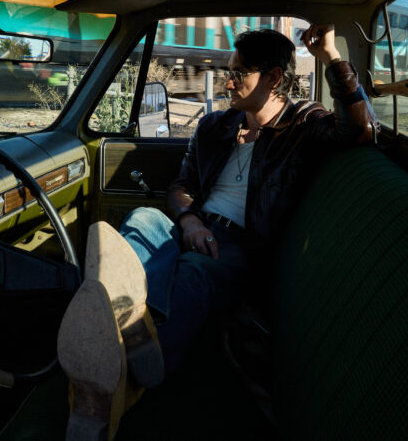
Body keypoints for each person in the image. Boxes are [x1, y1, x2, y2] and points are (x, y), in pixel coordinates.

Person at [57, 24, 376, 440]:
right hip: (195, 226)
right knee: (139, 220)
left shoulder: (302, 124)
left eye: (239, 73)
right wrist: (189, 220)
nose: (227, 81)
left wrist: (332, 57)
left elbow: (361, 131)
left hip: (242, 247)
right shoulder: (214, 126)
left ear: (274, 78)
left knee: (192, 273)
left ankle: (112, 383)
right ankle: (134, 331)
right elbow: (181, 187)